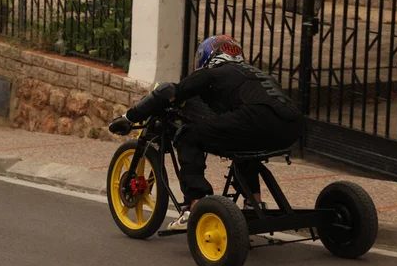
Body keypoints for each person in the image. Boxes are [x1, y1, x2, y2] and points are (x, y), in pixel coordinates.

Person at [110, 35, 304, 230]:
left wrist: (129, 117)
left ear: (208, 56)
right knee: (243, 148)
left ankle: (195, 205)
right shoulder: (255, 73)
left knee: (187, 136)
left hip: (254, 120)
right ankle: (254, 203)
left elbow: (168, 90)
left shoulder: (213, 73)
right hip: (291, 127)